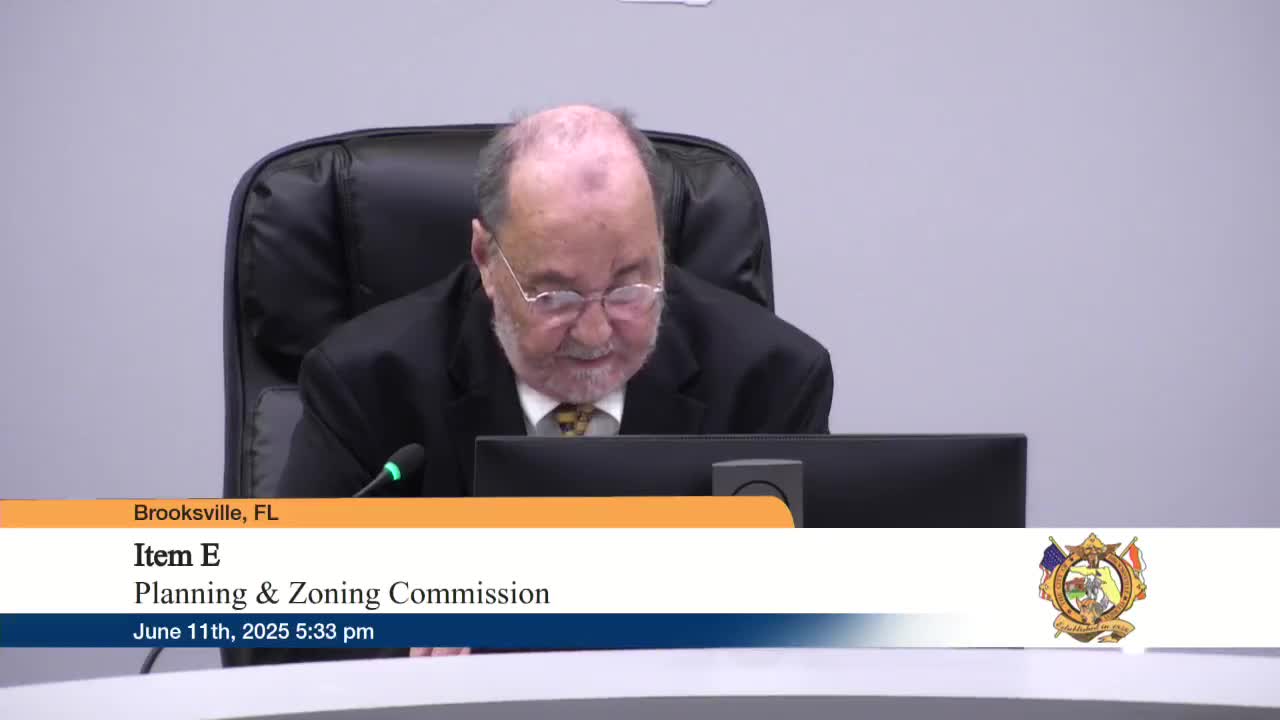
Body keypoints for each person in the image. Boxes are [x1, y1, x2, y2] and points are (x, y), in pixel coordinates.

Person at [255, 104, 833, 664]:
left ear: (660, 245)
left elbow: (831, 619)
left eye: (628, 287)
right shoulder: (367, 383)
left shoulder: (770, 379)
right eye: (555, 296)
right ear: (486, 258)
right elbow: (271, 633)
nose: (595, 332)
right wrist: (409, 629)